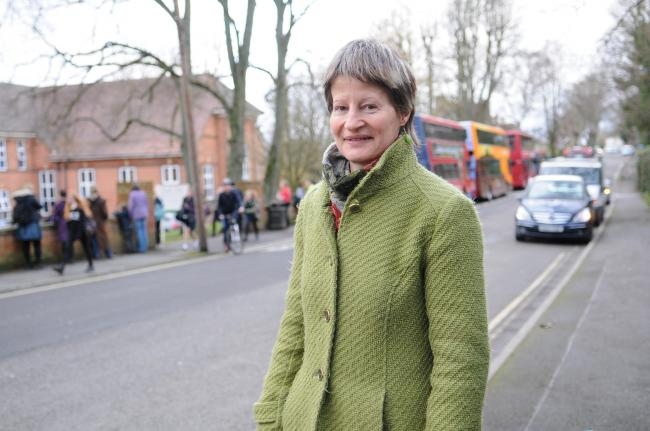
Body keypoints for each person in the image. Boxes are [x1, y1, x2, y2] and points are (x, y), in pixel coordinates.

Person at [254, 39, 489, 431]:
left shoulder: (445, 212)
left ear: (402, 112)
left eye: (369, 106)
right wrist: (270, 415)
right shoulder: (314, 204)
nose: (351, 122)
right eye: (340, 107)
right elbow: (296, 325)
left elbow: (461, 360)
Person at [53, 193, 94, 274]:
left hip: (82, 231)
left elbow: (86, 218)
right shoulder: (68, 209)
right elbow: (67, 221)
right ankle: (62, 267)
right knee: (67, 248)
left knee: (87, 249)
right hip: (72, 232)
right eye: (69, 198)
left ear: (75, 199)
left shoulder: (81, 207)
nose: (70, 200)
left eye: (71, 198)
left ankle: (91, 265)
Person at [11, 184, 43, 269]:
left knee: (25, 247)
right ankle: (38, 263)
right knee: (37, 245)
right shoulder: (31, 199)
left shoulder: (17, 202)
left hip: (23, 226)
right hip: (33, 224)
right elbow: (39, 206)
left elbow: (15, 216)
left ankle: (28, 264)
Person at [215, 178, 243, 252]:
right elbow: (219, 207)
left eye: (228, 185)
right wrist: (220, 214)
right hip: (225, 214)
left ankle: (237, 239)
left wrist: (241, 207)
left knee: (234, 224)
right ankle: (226, 245)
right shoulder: (221, 195)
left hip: (233, 212)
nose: (227, 187)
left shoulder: (234, 193)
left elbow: (239, 201)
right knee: (225, 229)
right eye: (225, 185)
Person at [88, 186, 113, 259]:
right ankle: (108, 254)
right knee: (104, 238)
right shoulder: (101, 201)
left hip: (92, 223)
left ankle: (96, 254)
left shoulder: (89, 201)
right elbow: (105, 214)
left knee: (94, 239)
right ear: (96, 192)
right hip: (100, 222)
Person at [52, 190, 72, 264]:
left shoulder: (58, 204)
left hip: (62, 225)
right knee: (69, 242)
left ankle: (65, 259)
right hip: (70, 225)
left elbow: (54, 216)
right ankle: (69, 258)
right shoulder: (69, 203)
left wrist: (58, 220)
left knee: (64, 243)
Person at [128, 184, 149, 253]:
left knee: (139, 231)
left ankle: (142, 248)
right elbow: (146, 203)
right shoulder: (143, 193)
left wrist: (130, 215)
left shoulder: (132, 194)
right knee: (144, 230)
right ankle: (145, 246)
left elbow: (131, 205)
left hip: (137, 214)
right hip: (144, 213)